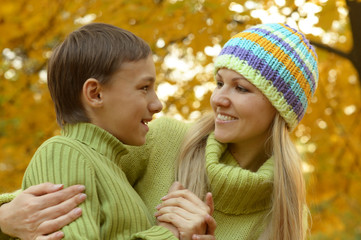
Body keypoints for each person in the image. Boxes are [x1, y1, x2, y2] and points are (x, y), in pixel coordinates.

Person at [0, 23, 318, 239]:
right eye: (220, 82)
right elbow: (74, 178)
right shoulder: (165, 138)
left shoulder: (286, 213)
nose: (218, 98)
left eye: (241, 89)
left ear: (280, 109)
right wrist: (4, 218)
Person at [0, 22, 215, 240]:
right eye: (144, 88)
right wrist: (167, 233)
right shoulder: (64, 153)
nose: (157, 104)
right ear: (95, 94)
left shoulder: (112, 169)